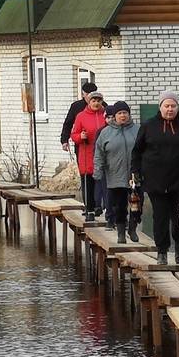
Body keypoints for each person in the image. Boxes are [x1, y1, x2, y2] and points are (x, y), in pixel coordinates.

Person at [131, 91, 179, 265]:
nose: (170, 109)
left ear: (178, 107)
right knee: (160, 217)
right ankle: (162, 251)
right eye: (166, 106)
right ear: (160, 107)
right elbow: (136, 151)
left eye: (173, 106)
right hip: (156, 180)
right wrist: (135, 173)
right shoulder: (149, 126)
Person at [94, 101, 140, 243]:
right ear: (114, 116)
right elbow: (99, 153)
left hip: (135, 176)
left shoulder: (137, 130)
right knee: (119, 206)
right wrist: (98, 171)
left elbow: (147, 150)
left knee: (137, 205)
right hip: (115, 175)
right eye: (120, 113)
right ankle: (121, 232)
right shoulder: (106, 133)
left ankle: (132, 228)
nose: (123, 116)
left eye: (125, 113)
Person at [71, 91, 107, 219]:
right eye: (93, 101)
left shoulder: (106, 114)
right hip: (87, 153)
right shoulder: (81, 116)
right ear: (89, 102)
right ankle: (89, 209)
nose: (96, 103)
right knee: (88, 182)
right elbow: (74, 135)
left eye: (99, 100)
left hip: (103, 155)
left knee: (102, 182)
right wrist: (80, 136)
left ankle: (101, 207)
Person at [60, 82, 106, 154]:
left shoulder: (103, 107)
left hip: (101, 146)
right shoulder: (76, 106)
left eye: (92, 95)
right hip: (82, 146)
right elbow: (68, 124)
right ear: (83, 94)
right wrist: (64, 140)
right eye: (87, 94)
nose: (89, 97)